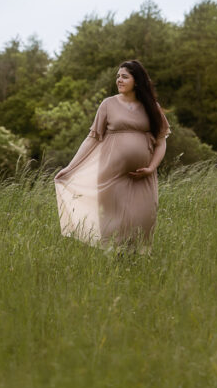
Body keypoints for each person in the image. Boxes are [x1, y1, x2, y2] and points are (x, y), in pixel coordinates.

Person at [54, 60, 170, 248]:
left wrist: (151, 167)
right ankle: (114, 264)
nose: (119, 80)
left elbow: (161, 140)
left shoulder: (151, 107)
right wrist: (70, 166)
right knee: (113, 224)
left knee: (142, 220)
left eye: (124, 76)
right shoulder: (108, 104)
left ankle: (135, 264)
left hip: (144, 177)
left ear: (137, 81)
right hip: (111, 176)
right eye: (117, 76)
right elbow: (92, 138)